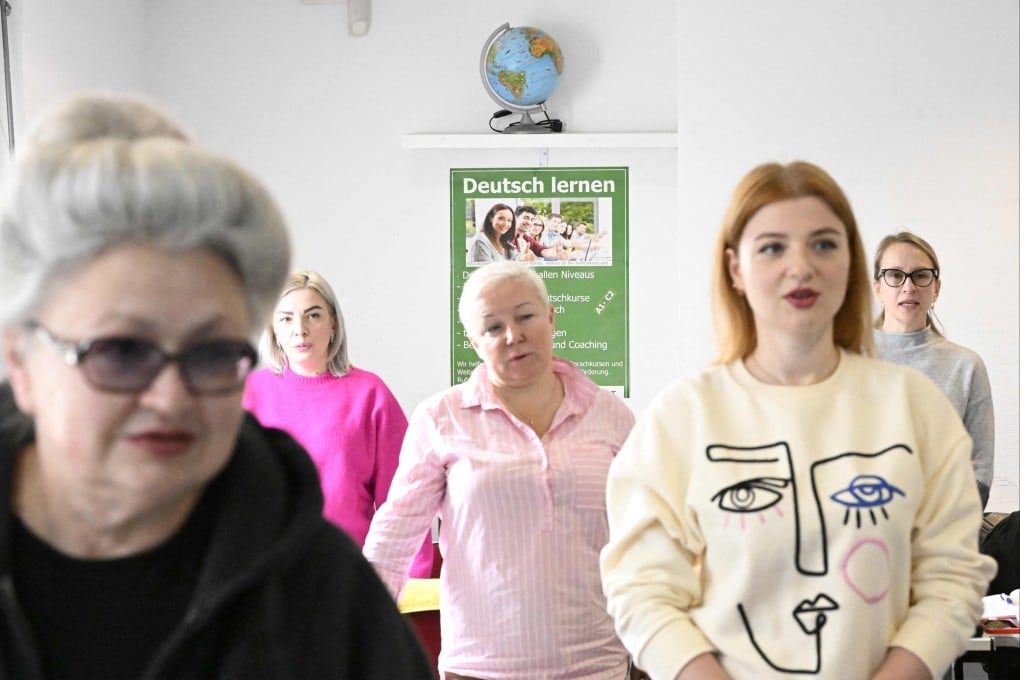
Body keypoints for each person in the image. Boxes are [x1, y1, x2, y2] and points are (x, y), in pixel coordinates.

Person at [0, 94, 433, 679]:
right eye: (121, 352)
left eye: (211, 354)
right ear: (21, 363)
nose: (172, 398)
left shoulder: (321, 593)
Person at [600, 161, 995, 680]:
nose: (801, 266)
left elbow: (953, 577)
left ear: (850, 264)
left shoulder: (917, 408)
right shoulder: (682, 417)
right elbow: (641, 587)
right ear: (735, 268)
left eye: (824, 244)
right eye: (772, 247)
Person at [364, 261, 636, 679]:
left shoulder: (611, 415)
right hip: (480, 667)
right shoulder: (441, 418)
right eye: (493, 327)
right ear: (474, 342)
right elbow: (393, 536)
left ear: (551, 317)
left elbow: (644, 536)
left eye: (525, 316)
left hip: (597, 664)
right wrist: (355, 638)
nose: (513, 335)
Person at [243, 270, 434, 576]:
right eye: (286, 319)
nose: (300, 330)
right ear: (273, 329)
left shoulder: (370, 394)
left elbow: (404, 501)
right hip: (267, 574)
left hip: (349, 576)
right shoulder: (248, 395)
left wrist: (415, 580)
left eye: (313, 315)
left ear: (332, 323)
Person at [871, 230, 995, 508]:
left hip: (943, 525)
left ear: (936, 288)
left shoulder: (966, 366)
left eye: (920, 275)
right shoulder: (846, 360)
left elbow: (980, 474)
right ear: (877, 288)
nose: (908, 286)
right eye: (895, 275)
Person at [468, 203, 534, 265]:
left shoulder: (504, 243)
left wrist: (524, 257)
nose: (505, 224)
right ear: (491, 218)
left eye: (509, 220)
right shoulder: (480, 241)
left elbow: (516, 257)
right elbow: (485, 270)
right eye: (501, 218)